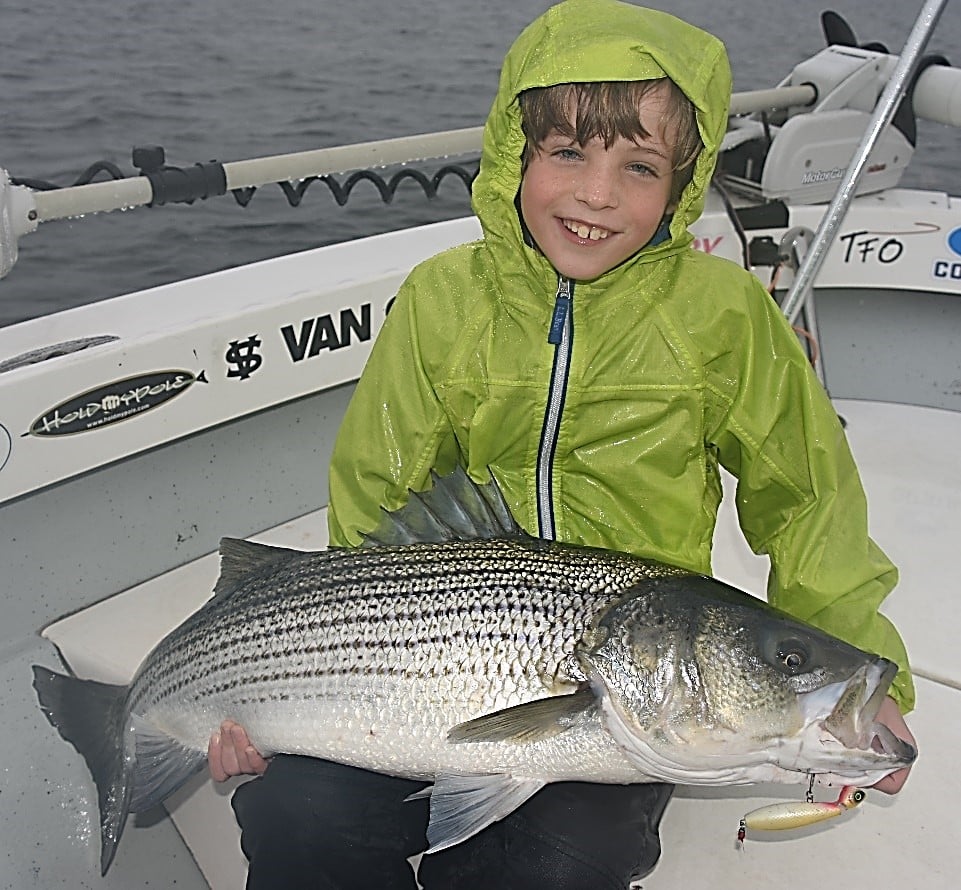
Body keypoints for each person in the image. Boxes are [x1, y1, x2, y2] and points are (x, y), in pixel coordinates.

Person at [208, 1, 916, 886]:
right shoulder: (440, 301)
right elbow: (379, 501)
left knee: (557, 862)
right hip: (420, 658)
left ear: (683, 184)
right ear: (515, 154)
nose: (597, 194)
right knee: (297, 820)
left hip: (627, 689)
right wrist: (293, 697)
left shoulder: (723, 316)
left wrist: (862, 671)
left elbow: (807, 496)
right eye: (568, 152)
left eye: (640, 166)